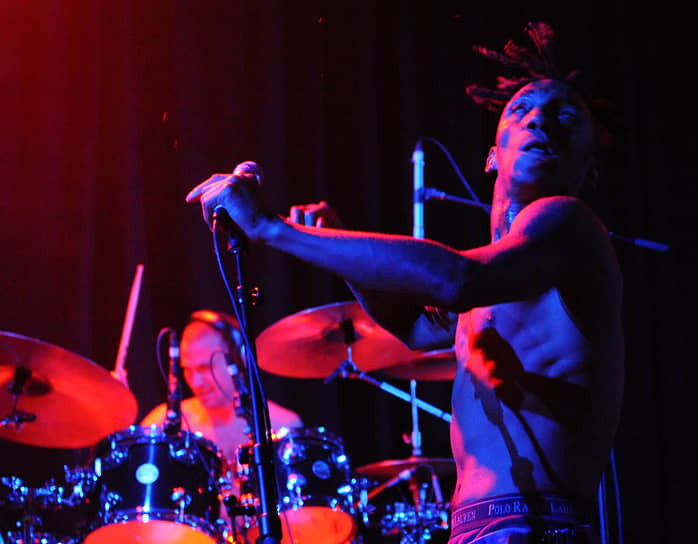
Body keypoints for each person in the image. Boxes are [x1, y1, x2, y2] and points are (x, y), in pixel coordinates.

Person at [187, 22, 623, 544]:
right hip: (479, 527)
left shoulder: (568, 222)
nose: (540, 120)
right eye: (521, 110)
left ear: (589, 170)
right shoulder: (505, 276)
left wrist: (273, 229)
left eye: (565, 116)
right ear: (491, 155)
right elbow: (415, 328)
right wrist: (341, 252)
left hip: (536, 526)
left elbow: (458, 279)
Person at [140, 309, 303, 472]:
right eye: (187, 369)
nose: (195, 382)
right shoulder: (160, 422)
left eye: (205, 368)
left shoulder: (282, 426)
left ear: (238, 361)